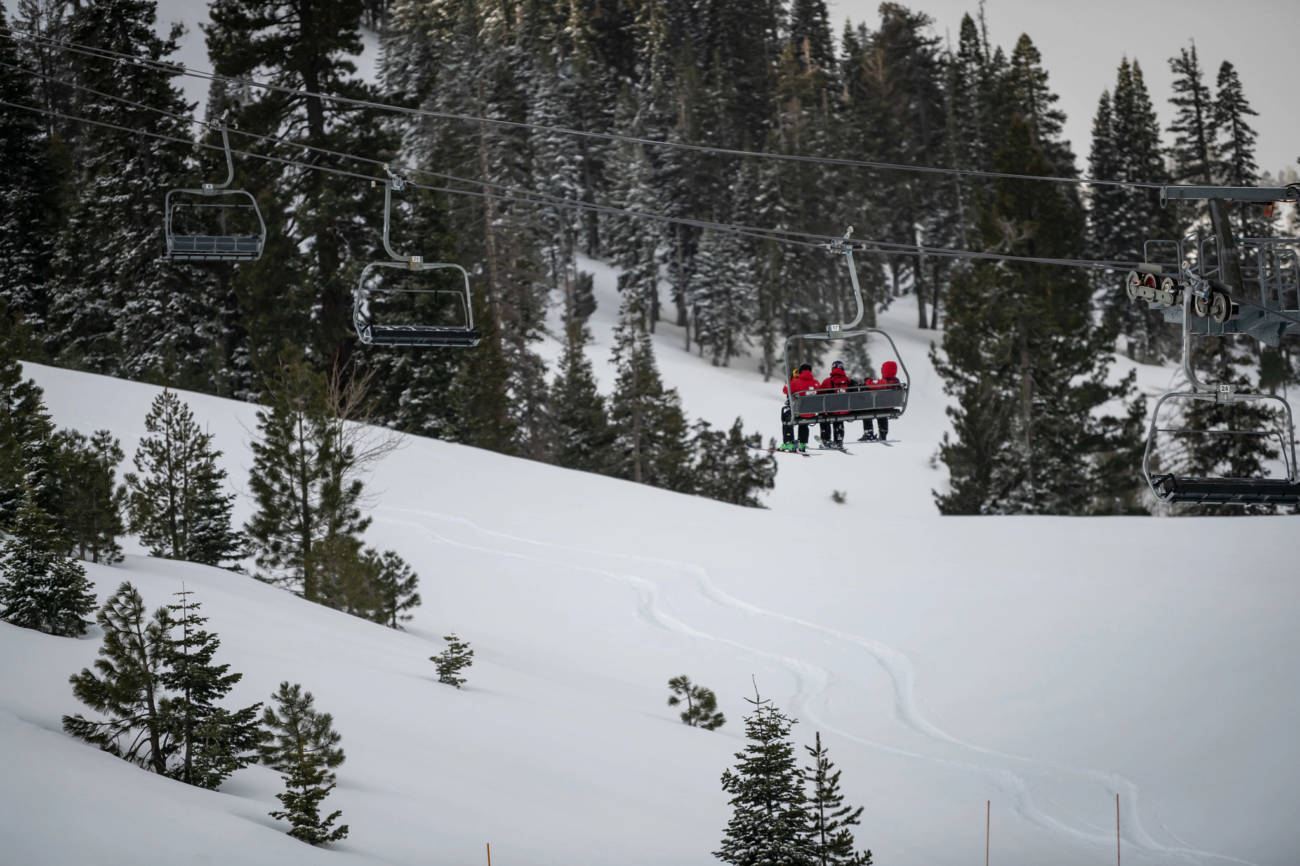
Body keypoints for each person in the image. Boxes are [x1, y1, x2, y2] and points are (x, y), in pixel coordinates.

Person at [780, 363, 819, 452]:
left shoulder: (795, 382)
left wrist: (789, 381)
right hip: (811, 413)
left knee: (786, 417)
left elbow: (785, 390)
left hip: (798, 413)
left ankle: (788, 443)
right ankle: (802, 444)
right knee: (804, 423)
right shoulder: (816, 383)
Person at [860, 360, 900, 442]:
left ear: (885, 370)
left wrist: (868, 381)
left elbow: (873, 386)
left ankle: (868, 433)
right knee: (882, 415)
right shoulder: (896, 381)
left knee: (866, 411)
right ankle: (883, 433)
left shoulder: (885, 381)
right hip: (888, 406)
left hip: (881, 406)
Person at [817, 360, 853, 448]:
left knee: (823, 414)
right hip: (845, 410)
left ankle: (826, 440)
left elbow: (819, 395)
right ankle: (839, 440)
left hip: (831, 410)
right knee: (839, 416)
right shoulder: (849, 381)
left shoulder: (827, 381)